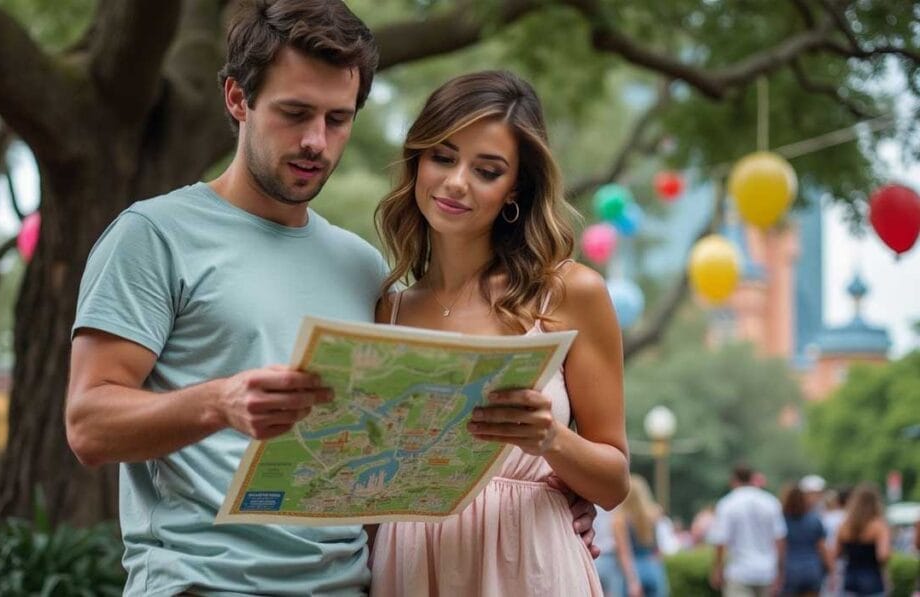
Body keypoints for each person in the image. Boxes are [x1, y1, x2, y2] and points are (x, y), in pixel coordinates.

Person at [65, 2, 597, 594]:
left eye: (337, 119)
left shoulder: (364, 270)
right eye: (295, 113)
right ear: (237, 100)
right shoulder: (153, 236)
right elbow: (89, 425)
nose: (316, 141)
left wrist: (552, 503)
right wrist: (219, 402)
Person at [368, 70, 629, 596]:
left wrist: (551, 440)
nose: (456, 181)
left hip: (529, 564)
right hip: (409, 567)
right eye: (442, 157)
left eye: (486, 170)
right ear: (417, 161)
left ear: (516, 188)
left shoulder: (571, 293)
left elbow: (614, 482)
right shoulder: (387, 311)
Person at [709, 464, 787, 597]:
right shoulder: (770, 502)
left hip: (739, 571)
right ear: (752, 478)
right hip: (767, 570)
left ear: (733, 480)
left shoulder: (728, 503)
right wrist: (780, 570)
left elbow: (721, 540)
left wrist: (717, 568)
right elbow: (780, 539)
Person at [613, 475, 670, 597]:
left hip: (634, 570)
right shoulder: (655, 514)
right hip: (653, 567)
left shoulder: (620, 519)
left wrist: (632, 581)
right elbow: (661, 547)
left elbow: (624, 553)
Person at [835, 483, 891, 597]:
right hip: (873, 581)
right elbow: (883, 555)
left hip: (849, 580)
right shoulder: (879, 526)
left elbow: (837, 553)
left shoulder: (845, 526)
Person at [779, 484, 831, 597]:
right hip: (812, 569)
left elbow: (780, 548)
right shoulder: (814, 519)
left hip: (789, 570)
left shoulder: (781, 520)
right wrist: (831, 569)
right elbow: (822, 548)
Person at [595, 506, 627, 597]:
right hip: (610, 559)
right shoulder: (614, 503)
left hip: (591, 559)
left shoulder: (586, 498)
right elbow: (621, 541)